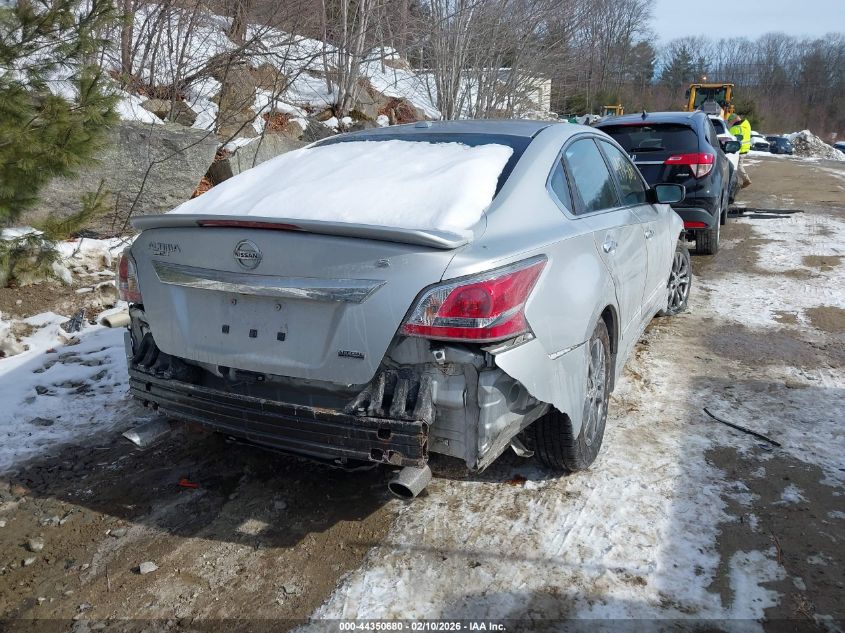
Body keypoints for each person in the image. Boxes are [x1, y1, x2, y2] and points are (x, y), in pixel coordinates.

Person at [727, 113, 752, 189]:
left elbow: (729, 138)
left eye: (730, 122)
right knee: (737, 166)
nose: (730, 124)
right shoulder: (746, 124)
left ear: (734, 120)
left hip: (739, 150)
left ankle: (746, 180)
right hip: (745, 149)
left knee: (737, 166)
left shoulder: (735, 128)